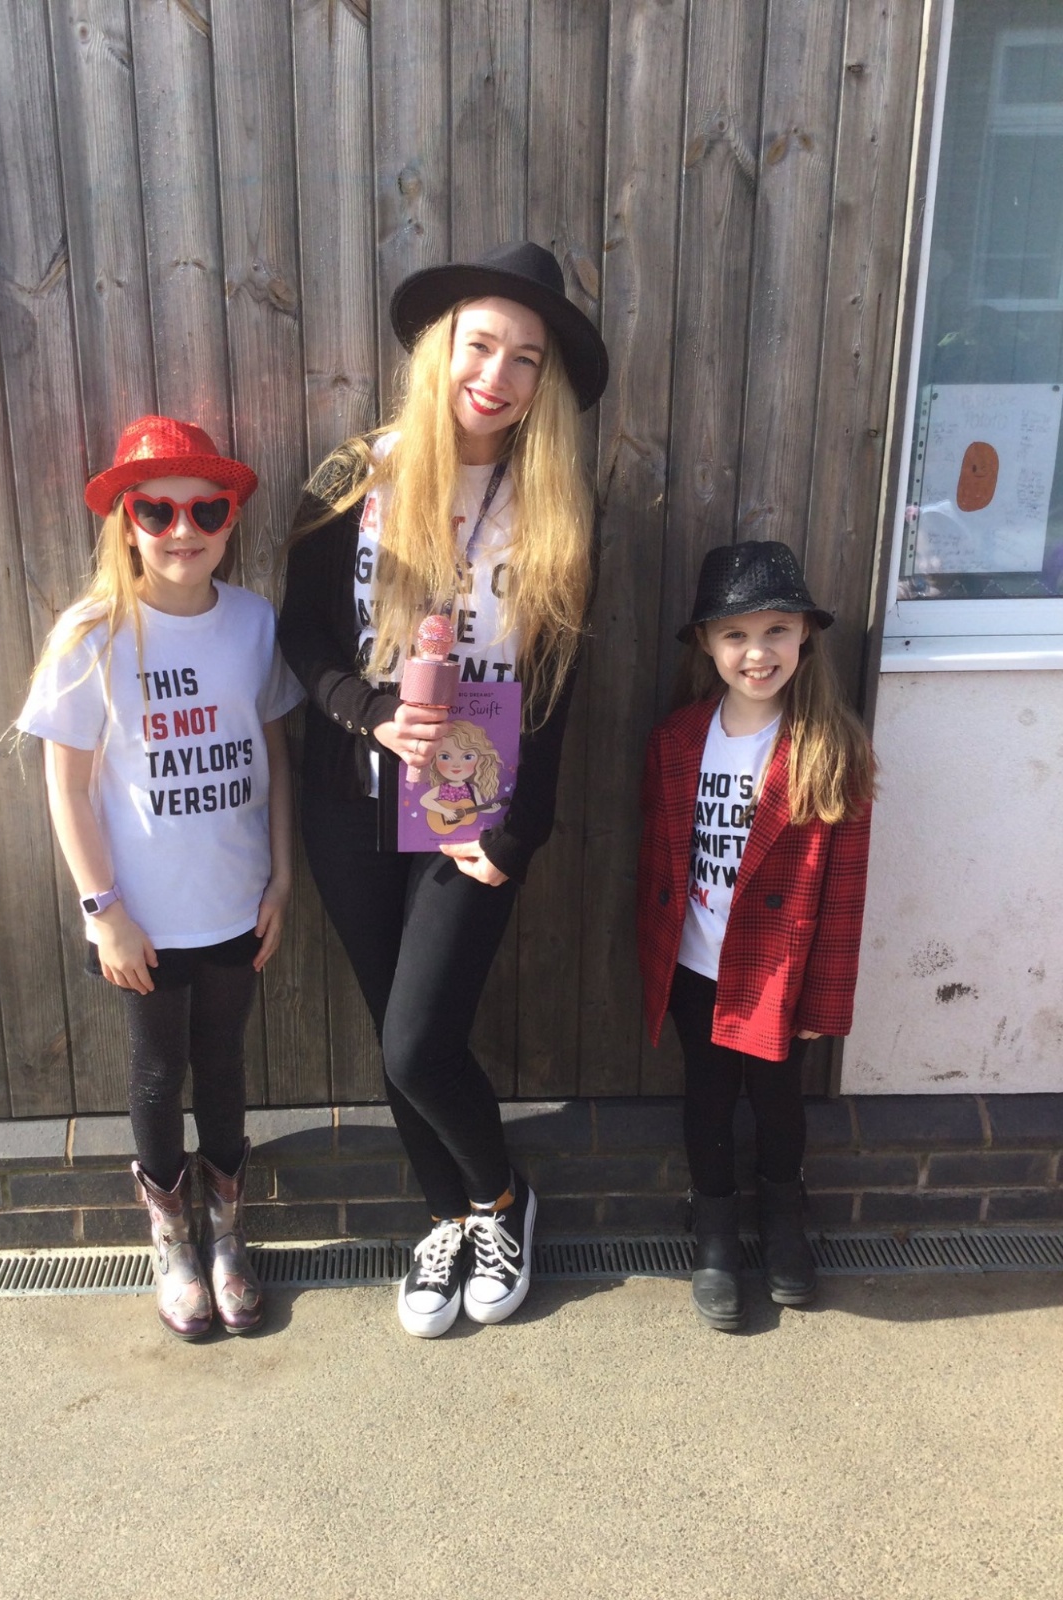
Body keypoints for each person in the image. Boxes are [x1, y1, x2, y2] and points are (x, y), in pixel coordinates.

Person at [279, 241, 608, 1338]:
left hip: (476, 800)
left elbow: (556, 683)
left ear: (544, 381)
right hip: (351, 793)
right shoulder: (354, 474)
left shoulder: (560, 500)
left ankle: (503, 1202)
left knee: (421, 1039)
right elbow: (301, 631)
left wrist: (522, 828)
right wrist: (366, 710)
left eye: (527, 358)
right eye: (481, 344)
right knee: (392, 1031)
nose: (497, 375)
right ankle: (444, 1215)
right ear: (441, 349)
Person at [18, 416, 302, 1339]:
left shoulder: (253, 622)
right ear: (127, 521)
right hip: (141, 917)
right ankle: (172, 1243)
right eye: (158, 511)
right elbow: (66, 785)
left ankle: (227, 1238)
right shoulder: (93, 633)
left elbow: (275, 756)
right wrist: (104, 910)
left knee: (223, 1065)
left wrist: (283, 878)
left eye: (206, 510)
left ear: (230, 520)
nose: (185, 530)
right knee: (156, 1070)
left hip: (236, 901)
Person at [637, 542, 875, 1331]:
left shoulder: (831, 747)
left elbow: (844, 893)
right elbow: (657, 862)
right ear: (707, 644)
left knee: (778, 1101)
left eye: (777, 630)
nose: (757, 652)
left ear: (805, 635)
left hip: (779, 968)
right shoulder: (677, 740)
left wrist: (824, 999)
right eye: (735, 634)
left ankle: (782, 1218)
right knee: (706, 1098)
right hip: (696, 964)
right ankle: (712, 1228)